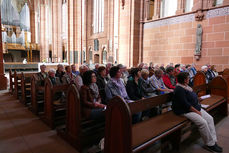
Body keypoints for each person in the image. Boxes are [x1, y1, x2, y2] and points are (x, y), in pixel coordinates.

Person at [172, 72, 222, 153]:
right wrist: (197, 112)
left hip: (194, 107)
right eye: (188, 78)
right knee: (203, 123)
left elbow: (191, 97)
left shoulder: (186, 86)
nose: (189, 79)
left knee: (210, 119)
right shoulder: (179, 89)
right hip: (185, 110)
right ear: (185, 80)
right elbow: (185, 104)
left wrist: (198, 99)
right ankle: (210, 144)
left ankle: (213, 141)